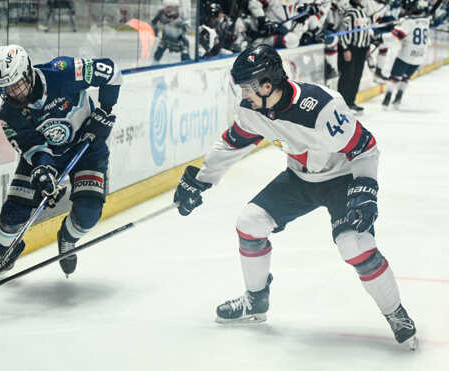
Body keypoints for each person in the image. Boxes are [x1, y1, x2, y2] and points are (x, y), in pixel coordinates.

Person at [173, 44, 418, 350]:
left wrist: (367, 187)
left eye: (247, 87)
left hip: (341, 178)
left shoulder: (321, 108)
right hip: (300, 177)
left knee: (354, 245)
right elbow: (233, 143)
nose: (243, 95)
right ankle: (255, 301)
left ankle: (395, 312)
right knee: (250, 223)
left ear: (266, 85)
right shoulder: (253, 109)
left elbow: (364, 147)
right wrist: (202, 180)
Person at [0, 45, 122, 278]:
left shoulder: (63, 71)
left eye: (16, 84)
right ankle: (5, 255)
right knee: (14, 212)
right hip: (49, 154)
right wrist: (44, 172)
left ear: (28, 72)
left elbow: (112, 72)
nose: (12, 92)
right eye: (5, 87)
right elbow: (31, 146)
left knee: (89, 213)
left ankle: (68, 238)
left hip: (88, 146)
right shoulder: (8, 115)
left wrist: (105, 110)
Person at [381, 0, 430, 108]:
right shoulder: (426, 21)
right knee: (405, 78)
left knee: (394, 78)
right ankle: (398, 98)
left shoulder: (408, 23)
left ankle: (387, 99)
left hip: (406, 56)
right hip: (419, 57)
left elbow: (394, 37)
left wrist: (379, 38)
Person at [338, 0, 372, 113]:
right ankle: (342, 105)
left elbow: (366, 31)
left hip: (362, 50)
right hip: (351, 49)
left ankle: (351, 102)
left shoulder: (364, 12)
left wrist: (367, 47)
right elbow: (342, 31)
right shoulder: (350, 12)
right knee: (347, 76)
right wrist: (345, 48)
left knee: (357, 76)